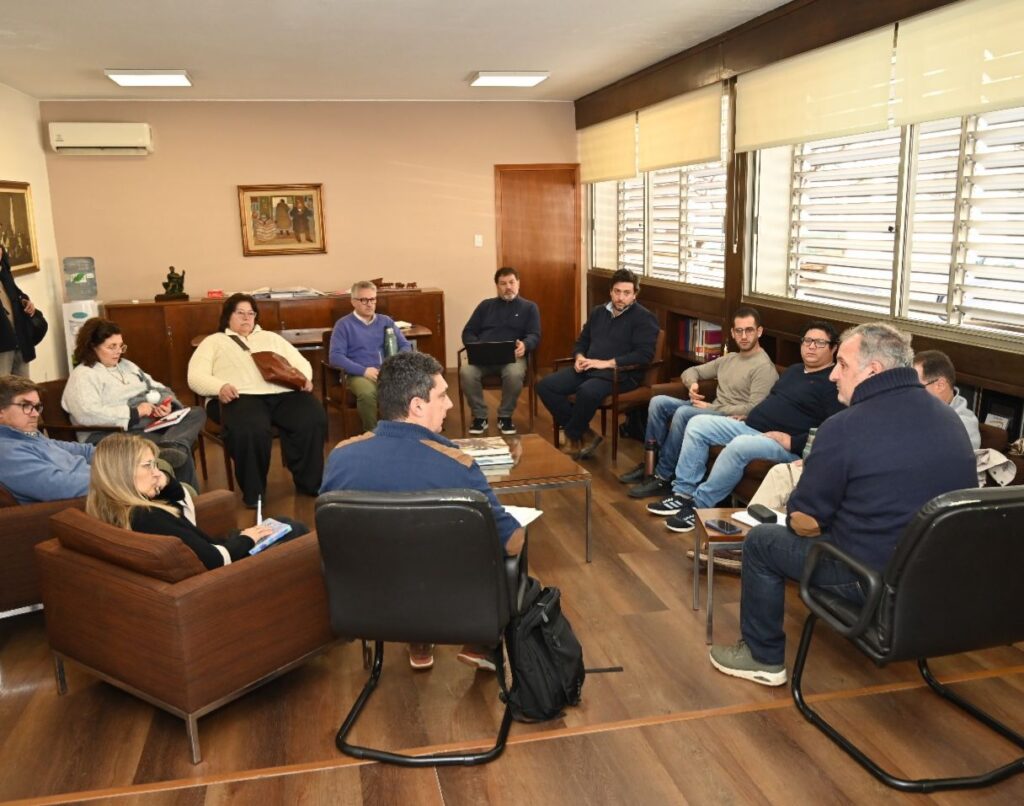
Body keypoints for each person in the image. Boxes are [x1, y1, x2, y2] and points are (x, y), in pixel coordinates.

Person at [709, 323, 977, 687]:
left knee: (761, 542)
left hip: (866, 580)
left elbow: (804, 520)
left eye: (843, 365)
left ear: (873, 371)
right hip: (938, 585)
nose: (834, 374)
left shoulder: (843, 427)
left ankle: (762, 657)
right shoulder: (950, 421)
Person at [322, 350, 525, 671]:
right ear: (417, 406)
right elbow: (511, 542)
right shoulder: (456, 464)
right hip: (448, 604)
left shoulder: (340, 458)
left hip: (364, 604)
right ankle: (482, 644)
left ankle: (419, 641)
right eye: (442, 396)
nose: (450, 404)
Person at [647, 321, 843, 531]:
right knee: (697, 424)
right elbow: (772, 402)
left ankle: (699, 505)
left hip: (781, 443)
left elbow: (833, 430)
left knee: (740, 445)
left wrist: (793, 442)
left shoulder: (834, 383)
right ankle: (683, 494)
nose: (811, 346)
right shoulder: (794, 371)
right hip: (750, 425)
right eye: (808, 341)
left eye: (820, 343)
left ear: (833, 348)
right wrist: (748, 416)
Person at [749, 346, 985, 511]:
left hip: (889, 496)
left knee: (780, 509)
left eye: (916, 384)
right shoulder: (909, 411)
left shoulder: (958, 423)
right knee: (783, 479)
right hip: (872, 485)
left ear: (941, 384)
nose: (909, 390)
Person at [86, 433, 306, 570]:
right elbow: (215, 560)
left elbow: (184, 511)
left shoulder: (116, 508)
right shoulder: (149, 517)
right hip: (224, 573)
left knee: (278, 524)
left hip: (212, 554)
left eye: (155, 464)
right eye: (147, 466)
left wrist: (166, 482)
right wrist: (248, 539)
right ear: (123, 473)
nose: (157, 472)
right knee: (293, 529)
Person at [188, 293, 326, 507]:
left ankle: (310, 483)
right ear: (227, 316)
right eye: (240, 313)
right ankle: (255, 492)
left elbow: (301, 363)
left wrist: (304, 378)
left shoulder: (271, 338)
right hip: (240, 396)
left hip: (283, 393)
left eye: (251, 313)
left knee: (312, 417)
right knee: (251, 429)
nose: (246, 318)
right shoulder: (214, 342)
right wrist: (219, 387)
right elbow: (195, 376)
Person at [624, 306, 778, 497]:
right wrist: (693, 385)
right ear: (732, 333)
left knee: (683, 413)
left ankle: (663, 475)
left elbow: (754, 409)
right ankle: (650, 464)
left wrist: (713, 407)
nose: (744, 336)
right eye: (739, 331)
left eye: (749, 330)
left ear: (759, 331)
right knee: (658, 402)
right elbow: (691, 371)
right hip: (709, 409)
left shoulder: (763, 367)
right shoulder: (729, 359)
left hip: (727, 419)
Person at [61, 317, 206, 490]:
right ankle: (184, 495)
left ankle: (172, 445)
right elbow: (87, 413)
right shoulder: (83, 374)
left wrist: (166, 405)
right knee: (181, 451)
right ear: (92, 346)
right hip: (111, 433)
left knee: (196, 413)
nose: (118, 352)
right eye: (111, 347)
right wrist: (135, 412)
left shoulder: (127, 366)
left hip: (149, 423)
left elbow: (159, 387)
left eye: (120, 346)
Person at [537, 268, 659, 459]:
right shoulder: (598, 312)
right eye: (617, 292)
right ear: (610, 291)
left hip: (621, 374)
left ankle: (572, 435)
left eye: (626, 293)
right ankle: (585, 433)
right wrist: (579, 357)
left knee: (586, 391)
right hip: (589, 368)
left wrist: (607, 363)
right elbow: (582, 342)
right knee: (545, 386)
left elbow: (644, 355)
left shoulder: (644, 318)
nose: (621, 297)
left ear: (635, 294)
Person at [459, 266, 541, 436]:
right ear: (497, 286)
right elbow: (468, 332)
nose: (508, 287)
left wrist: (525, 345)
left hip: (512, 357)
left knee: (514, 374)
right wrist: (476, 346)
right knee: (466, 371)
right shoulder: (485, 306)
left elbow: (535, 334)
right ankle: (480, 416)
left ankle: (505, 416)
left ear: (518, 283)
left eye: (511, 282)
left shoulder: (529, 307)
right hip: (483, 356)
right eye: (503, 283)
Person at [328, 280, 411, 433]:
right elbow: (335, 357)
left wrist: (392, 364)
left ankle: (398, 433)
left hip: (385, 371)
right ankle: (372, 434)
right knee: (367, 393)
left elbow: (405, 345)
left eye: (373, 299)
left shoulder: (386, 321)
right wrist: (364, 371)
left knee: (408, 388)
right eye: (364, 300)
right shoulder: (343, 325)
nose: (369, 304)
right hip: (357, 374)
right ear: (353, 302)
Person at [0, 374, 93, 503]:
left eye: (36, 407)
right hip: (87, 503)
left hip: (99, 484)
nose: (35, 414)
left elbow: (78, 449)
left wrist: (118, 455)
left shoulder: (27, 434)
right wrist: (113, 479)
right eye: (26, 405)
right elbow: (62, 486)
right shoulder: (7, 452)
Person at [914, 350, 981, 450]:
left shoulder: (963, 426)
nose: (910, 392)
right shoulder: (921, 407)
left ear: (940, 385)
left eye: (915, 386)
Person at [0, 244, 45, 376]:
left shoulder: (4, 270)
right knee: (3, 387)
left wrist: (25, 301)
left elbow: (15, 292)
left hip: (19, 339)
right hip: (3, 344)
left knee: (24, 386)